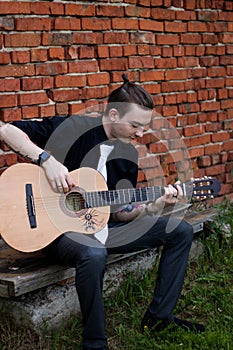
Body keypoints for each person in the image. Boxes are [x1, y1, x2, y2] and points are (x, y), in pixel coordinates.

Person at [0, 74, 205, 350]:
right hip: (56, 232)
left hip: (100, 228)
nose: (141, 134)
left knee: (179, 230)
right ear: (112, 114)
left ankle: (160, 317)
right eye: (135, 125)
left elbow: (120, 212)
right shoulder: (75, 129)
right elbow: (5, 130)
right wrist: (46, 160)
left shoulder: (128, 155)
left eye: (144, 127)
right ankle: (95, 343)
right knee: (93, 252)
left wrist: (152, 207)